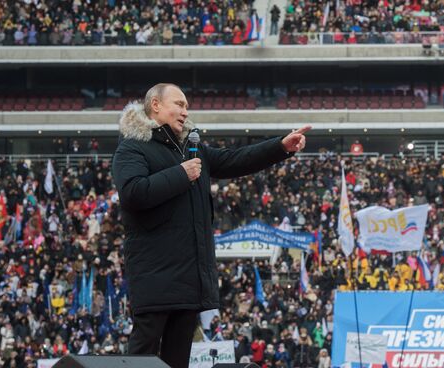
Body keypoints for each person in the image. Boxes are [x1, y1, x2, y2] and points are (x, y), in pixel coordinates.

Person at [112, 83, 311, 368]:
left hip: (189, 277)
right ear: (155, 105)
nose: (185, 111)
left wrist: (280, 146)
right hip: (156, 275)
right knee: (141, 354)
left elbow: (235, 159)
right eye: (179, 104)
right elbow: (133, 193)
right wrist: (181, 174)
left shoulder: (192, 150)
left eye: (186, 106)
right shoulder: (132, 147)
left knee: (177, 358)